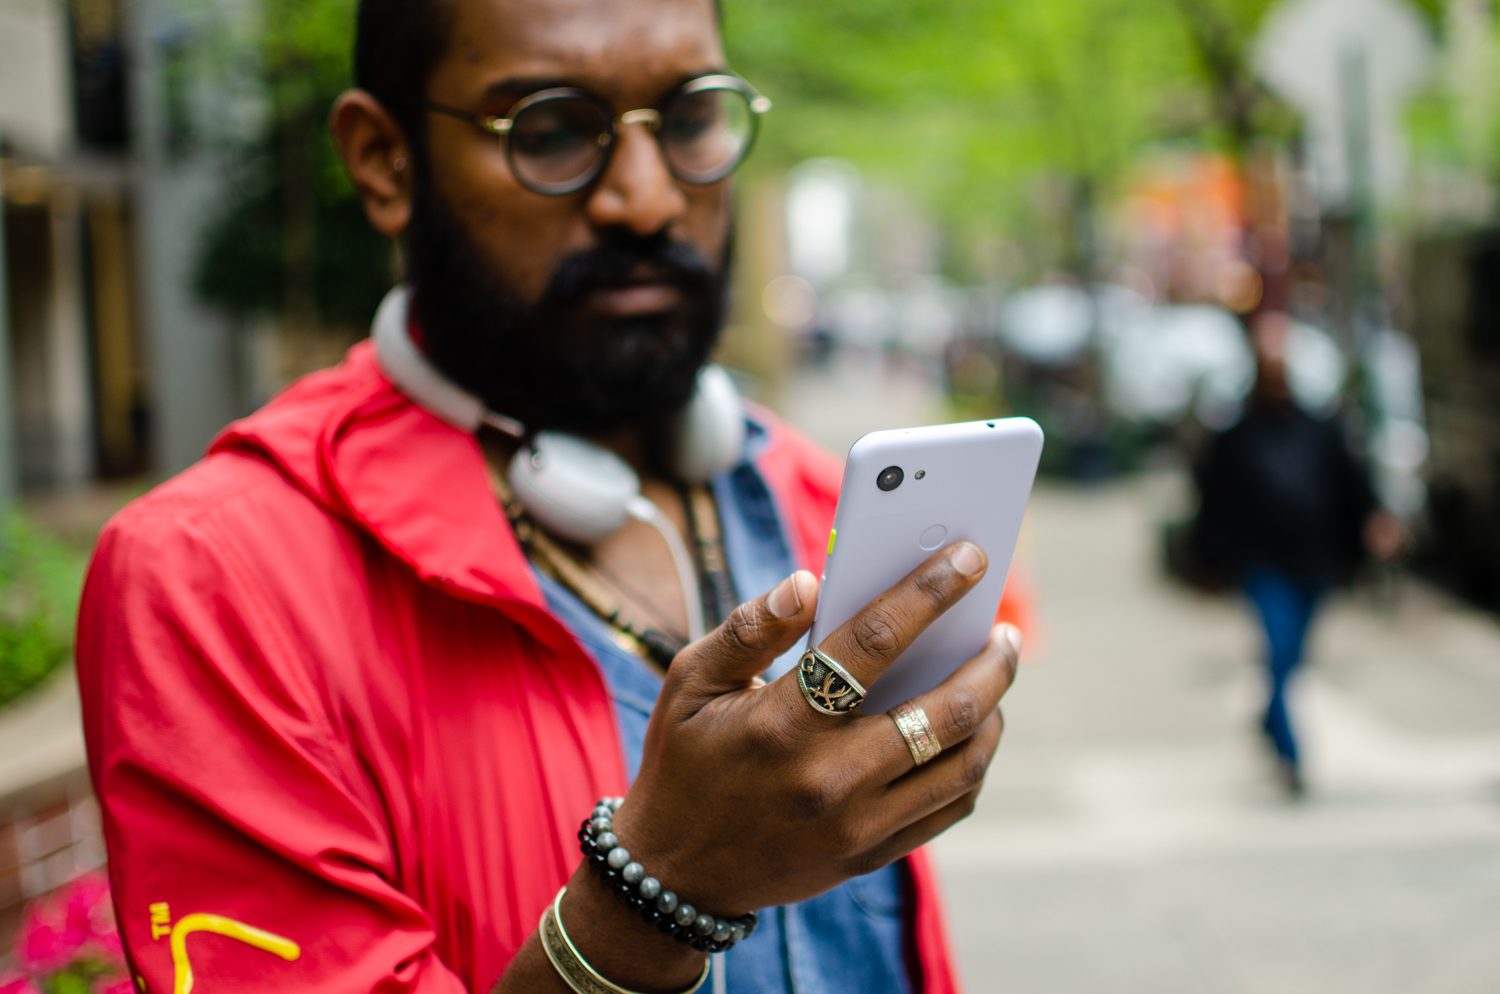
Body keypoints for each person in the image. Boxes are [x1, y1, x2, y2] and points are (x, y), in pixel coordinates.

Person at [75, 1, 1028, 992]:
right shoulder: (212, 582)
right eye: (552, 130)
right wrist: (660, 892)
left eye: (691, 117)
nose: (647, 200)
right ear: (385, 160)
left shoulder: (811, 494)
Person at [1193, 311, 1401, 797]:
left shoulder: (1319, 428)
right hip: (1263, 565)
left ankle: (1270, 718)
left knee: (1292, 659)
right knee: (1280, 652)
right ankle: (1290, 754)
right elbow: (1213, 501)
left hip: (1315, 561)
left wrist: (1376, 520)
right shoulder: (1237, 434)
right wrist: (1207, 562)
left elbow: (1352, 480)